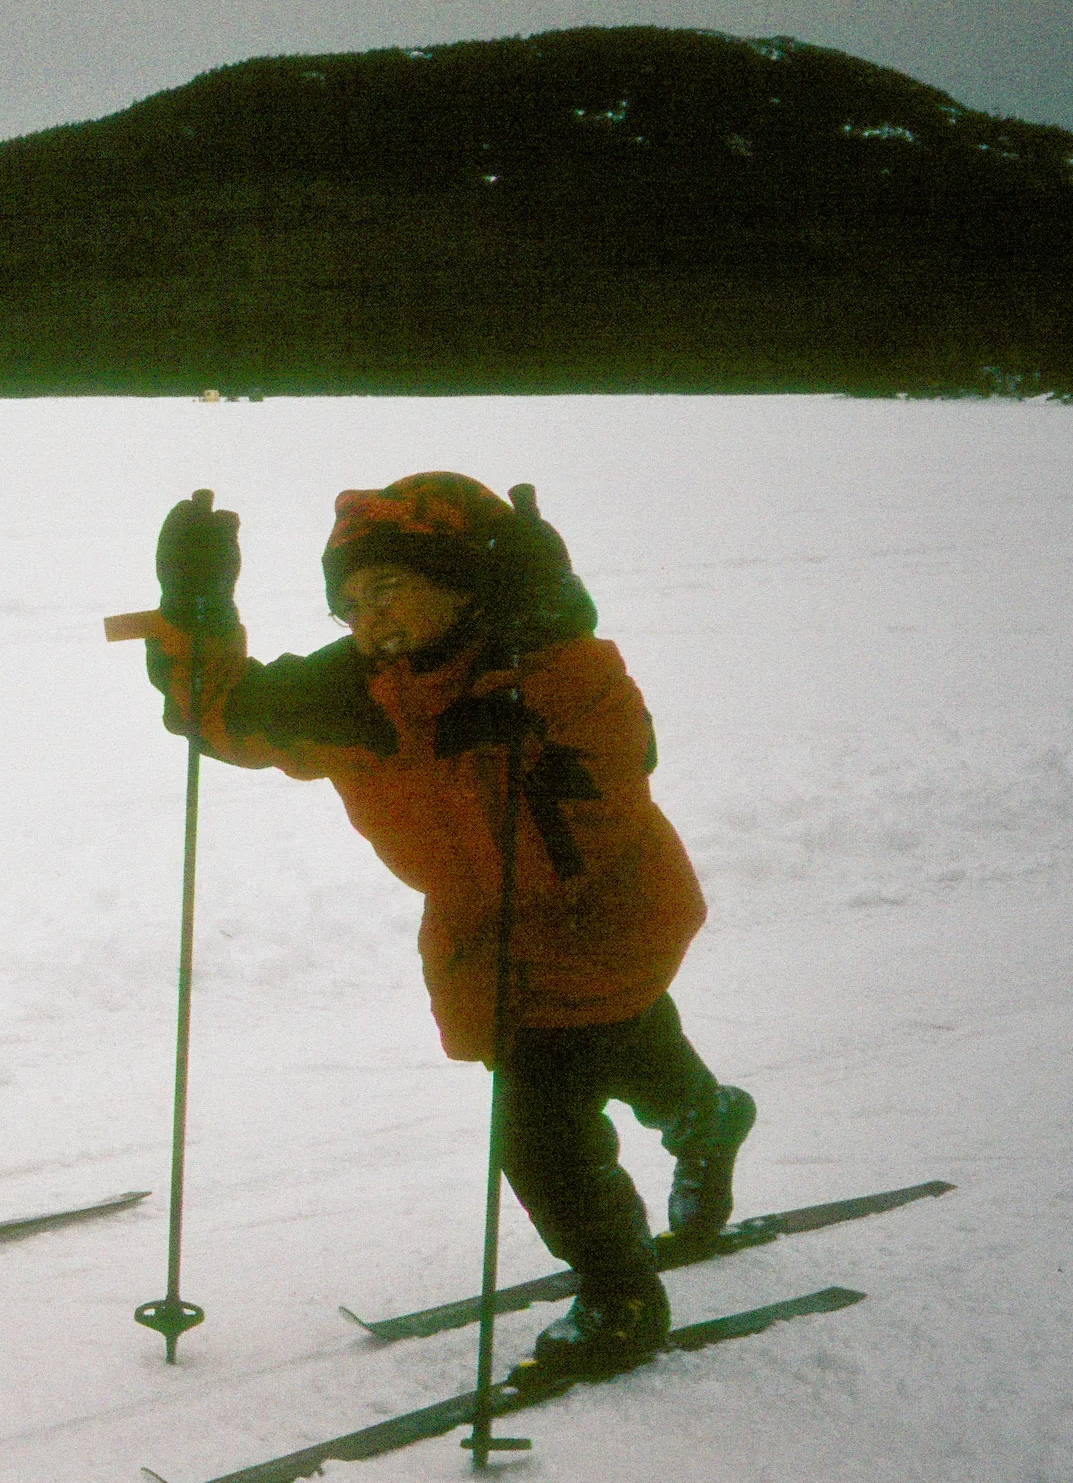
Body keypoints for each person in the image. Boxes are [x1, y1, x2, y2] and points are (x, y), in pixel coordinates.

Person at [139, 473, 754, 1373]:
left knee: (542, 1134)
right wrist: (194, 607)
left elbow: (617, 759)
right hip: (489, 939)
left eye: (386, 589)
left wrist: (543, 649)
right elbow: (222, 714)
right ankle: (708, 1115)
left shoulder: (551, 666)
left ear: (464, 581)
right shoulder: (360, 693)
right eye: (348, 605)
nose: (367, 621)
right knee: (627, 1045)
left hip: (603, 918)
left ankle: (622, 1294)